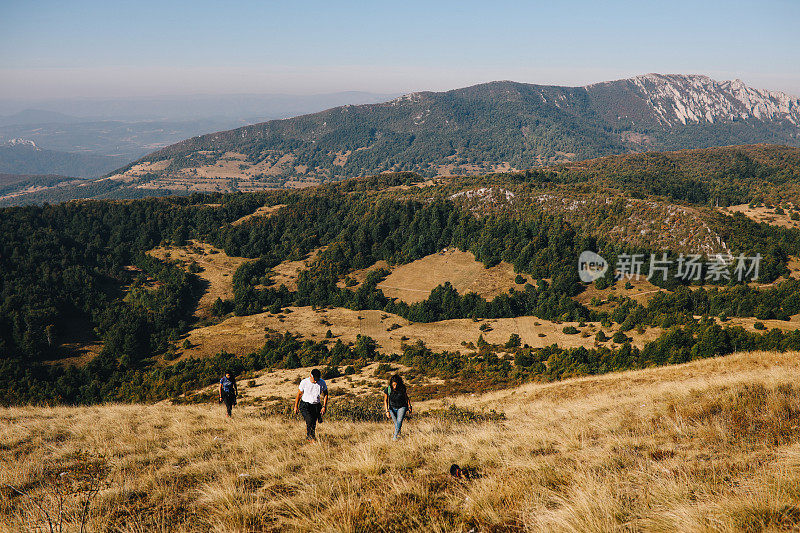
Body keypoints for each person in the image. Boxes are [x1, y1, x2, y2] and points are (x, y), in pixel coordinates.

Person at [293, 369, 328, 442]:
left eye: (317, 379)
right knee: (309, 420)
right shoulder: (304, 382)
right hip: (305, 404)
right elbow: (299, 394)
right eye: (314, 379)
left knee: (313, 422)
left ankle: (311, 437)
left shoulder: (322, 382)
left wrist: (324, 406)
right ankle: (310, 438)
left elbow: (326, 394)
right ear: (310, 376)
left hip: (316, 405)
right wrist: (296, 406)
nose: (315, 381)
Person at [383, 374, 412, 440]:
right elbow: (385, 400)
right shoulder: (388, 389)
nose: (395, 386)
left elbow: (406, 397)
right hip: (392, 408)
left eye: (396, 384)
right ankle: (399, 436)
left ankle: (395, 438)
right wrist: (387, 411)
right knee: (396, 424)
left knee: (399, 422)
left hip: (402, 407)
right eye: (393, 385)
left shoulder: (402, 388)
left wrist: (409, 405)